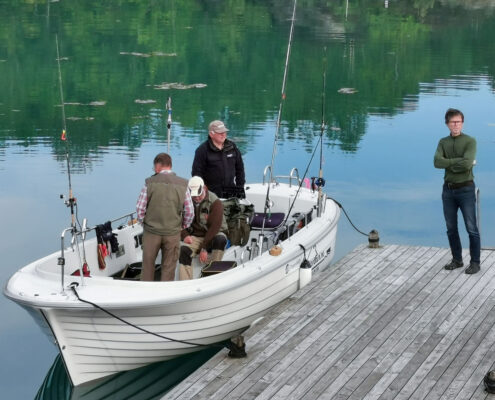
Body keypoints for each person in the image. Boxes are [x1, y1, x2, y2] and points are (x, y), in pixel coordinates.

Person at [434, 108, 480, 274]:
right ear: (447, 124)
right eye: (453, 122)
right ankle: (457, 260)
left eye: (459, 122)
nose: (456, 125)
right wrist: (459, 161)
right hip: (448, 191)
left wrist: (450, 162)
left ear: (462, 123)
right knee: (451, 228)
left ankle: (475, 262)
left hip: (466, 189)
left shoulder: (470, 141)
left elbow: (467, 165)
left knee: (471, 228)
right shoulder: (442, 142)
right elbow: (437, 162)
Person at [136, 153, 194, 281]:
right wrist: (182, 226)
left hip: (151, 232)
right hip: (172, 233)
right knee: (168, 269)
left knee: (147, 267)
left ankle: (145, 295)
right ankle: (164, 296)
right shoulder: (183, 184)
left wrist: (145, 223)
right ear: (170, 166)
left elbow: (140, 209)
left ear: (158, 166)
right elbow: (190, 211)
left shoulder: (149, 182)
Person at [179, 176, 229, 280]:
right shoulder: (186, 201)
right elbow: (178, 221)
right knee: (183, 250)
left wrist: (204, 248)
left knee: (220, 240)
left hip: (214, 234)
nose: (196, 198)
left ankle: (213, 275)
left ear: (205, 188)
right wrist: (185, 235)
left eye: (199, 194)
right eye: (194, 196)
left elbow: (214, 228)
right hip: (196, 236)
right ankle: (185, 283)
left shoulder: (216, 203)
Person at [191, 120, 245, 198]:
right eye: (220, 133)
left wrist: (240, 188)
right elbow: (196, 174)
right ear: (211, 134)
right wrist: (202, 191)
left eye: (225, 132)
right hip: (211, 193)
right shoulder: (202, 150)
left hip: (231, 192)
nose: (223, 135)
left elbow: (240, 170)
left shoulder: (232, 147)